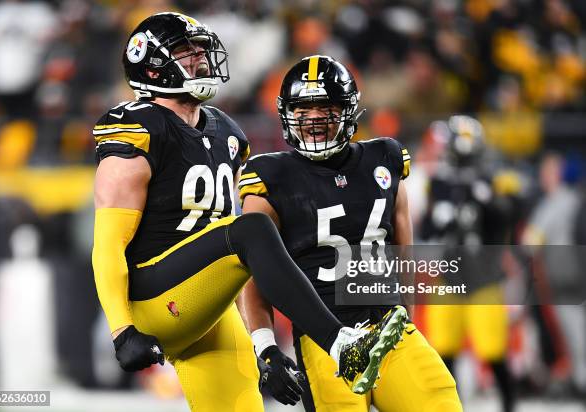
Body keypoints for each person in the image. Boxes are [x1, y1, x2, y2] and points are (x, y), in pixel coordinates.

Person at [91, 13, 407, 410]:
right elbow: (106, 244)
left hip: (204, 305)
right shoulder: (139, 129)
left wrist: (267, 349)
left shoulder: (226, 133)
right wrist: (122, 329)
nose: (200, 60)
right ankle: (340, 342)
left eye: (201, 50)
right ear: (153, 66)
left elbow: (236, 263)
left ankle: (313, 343)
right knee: (251, 228)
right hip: (151, 299)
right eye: (186, 53)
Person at [239, 55, 462, 412]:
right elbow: (256, 269)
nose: (313, 119)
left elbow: (403, 250)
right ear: (287, 113)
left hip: (390, 329)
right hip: (325, 336)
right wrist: (265, 347)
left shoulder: (384, 158)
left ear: (348, 110)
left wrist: (405, 315)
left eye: (325, 106)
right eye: (302, 108)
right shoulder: (271, 175)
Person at [420, 115, 518, 412]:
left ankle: (509, 405)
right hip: (449, 277)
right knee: (443, 351)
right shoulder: (439, 184)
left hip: (483, 278)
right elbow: (426, 230)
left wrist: (484, 199)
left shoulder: (489, 181)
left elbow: (504, 221)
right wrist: (442, 219)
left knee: (493, 351)